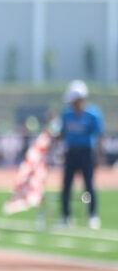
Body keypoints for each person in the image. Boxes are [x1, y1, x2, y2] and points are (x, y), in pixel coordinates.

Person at [56, 80, 105, 229]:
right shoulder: (66, 114)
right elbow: (61, 133)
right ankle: (65, 216)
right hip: (71, 153)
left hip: (86, 153)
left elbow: (99, 136)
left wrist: (98, 155)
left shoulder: (93, 114)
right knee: (66, 186)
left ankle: (92, 215)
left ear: (81, 99)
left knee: (89, 185)